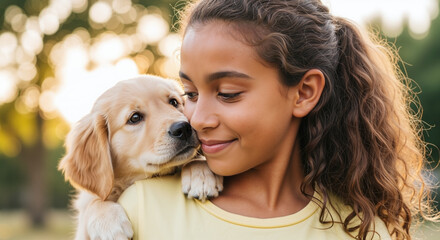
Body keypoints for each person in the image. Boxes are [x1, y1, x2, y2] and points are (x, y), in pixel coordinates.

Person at [118, 0, 438, 239]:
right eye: (189, 93)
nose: (197, 120)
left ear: (304, 93)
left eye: (228, 93)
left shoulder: (364, 231)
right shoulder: (139, 210)